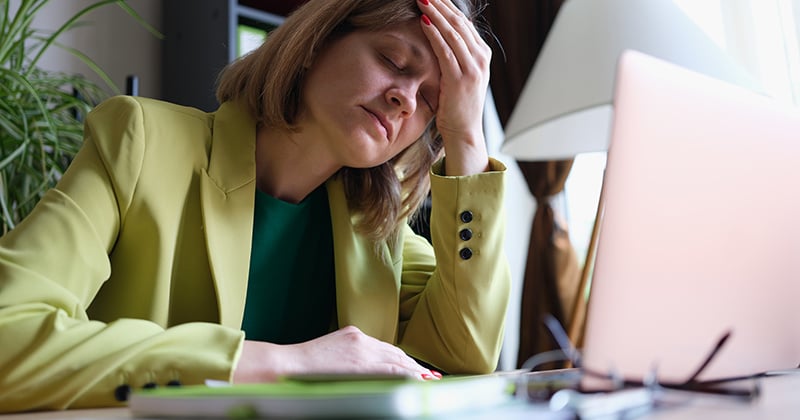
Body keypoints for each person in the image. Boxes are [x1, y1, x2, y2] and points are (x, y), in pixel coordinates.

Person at [0, 0, 510, 412]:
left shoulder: (379, 229)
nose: (405, 99)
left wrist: (466, 137)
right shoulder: (139, 142)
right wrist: (279, 362)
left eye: (431, 103)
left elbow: (463, 357)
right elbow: (10, 334)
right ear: (315, 44)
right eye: (394, 61)